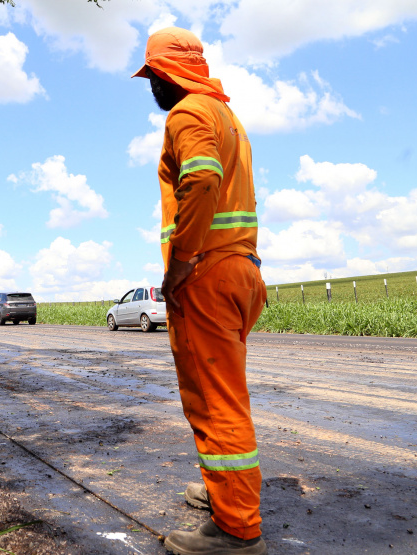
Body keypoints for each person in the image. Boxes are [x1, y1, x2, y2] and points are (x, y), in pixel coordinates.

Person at [132, 28, 268, 555]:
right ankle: (222, 491)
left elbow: (203, 180)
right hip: (240, 269)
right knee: (218, 393)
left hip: (206, 273)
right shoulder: (227, 116)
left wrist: (182, 261)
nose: (152, 89)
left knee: (216, 402)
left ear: (168, 74)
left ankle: (237, 529)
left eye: (152, 78)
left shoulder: (186, 113)